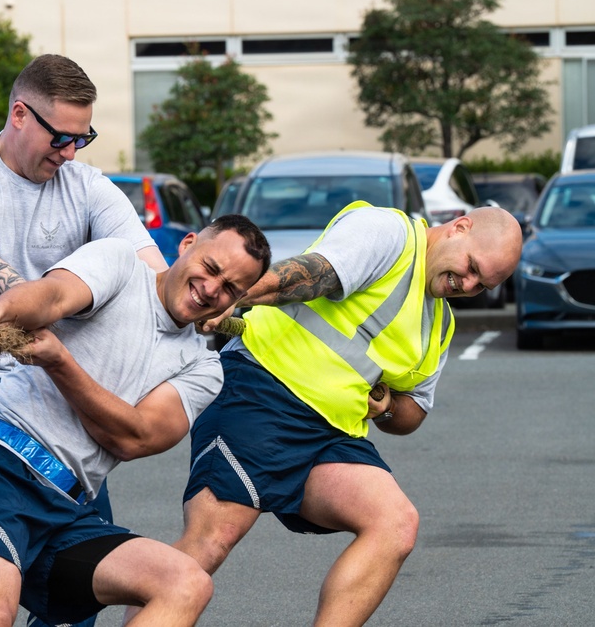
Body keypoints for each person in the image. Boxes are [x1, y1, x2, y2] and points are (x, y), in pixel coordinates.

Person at [175, 202, 522, 626]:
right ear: (459, 228)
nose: (466, 285)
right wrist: (232, 297)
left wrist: (390, 406)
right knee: (211, 542)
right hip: (261, 390)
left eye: (480, 285)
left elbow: (414, 412)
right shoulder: (391, 234)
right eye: (470, 267)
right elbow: (314, 272)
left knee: (395, 524)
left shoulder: (439, 324)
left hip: (332, 433)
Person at [0, 215, 271, 627]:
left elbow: (134, 438)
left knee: (186, 583)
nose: (210, 290)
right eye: (211, 269)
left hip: (66, 507)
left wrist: (61, 361)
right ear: (187, 245)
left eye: (230, 289)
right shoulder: (121, 264)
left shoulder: (204, 367)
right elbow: (52, 297)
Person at [0, 53, 167, 390]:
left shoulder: (87, 185)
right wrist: (56, 303)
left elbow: (153, 274)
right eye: (61, 137)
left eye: (82, 139)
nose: (70, 153)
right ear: (20, 114)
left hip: (47, 377)